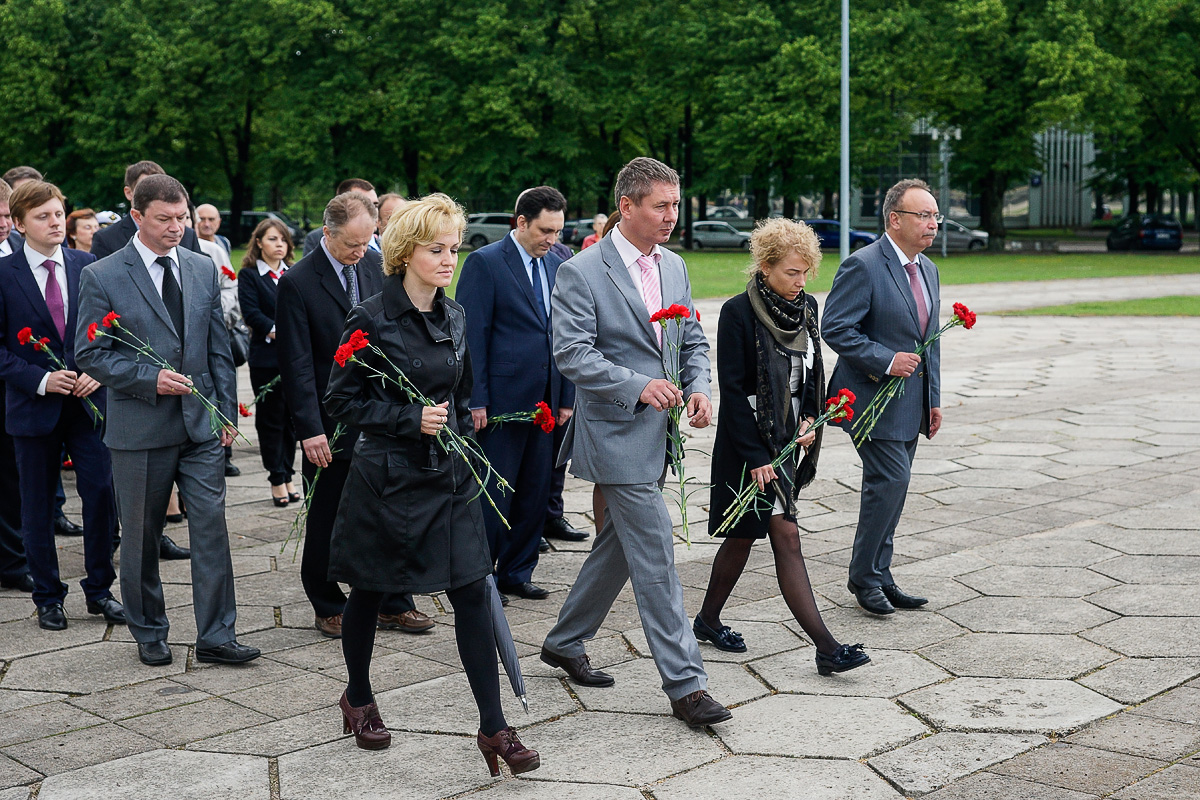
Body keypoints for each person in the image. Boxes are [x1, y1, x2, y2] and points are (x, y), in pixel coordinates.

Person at [324, 193, 540, 775]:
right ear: (404, 252)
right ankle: (359, 696)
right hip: (387, 480)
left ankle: (493, 727)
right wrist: (406, 419)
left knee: (472, 591)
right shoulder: (370, 316)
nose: (449, 260)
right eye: (436, 249)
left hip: (448, 477)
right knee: (371, 591)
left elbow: (462, 396)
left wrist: (461, 440)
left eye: (453, 249)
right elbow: (340, 399)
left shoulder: (457, 316)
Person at [540, 157, 731, 728]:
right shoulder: (582, 269)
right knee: (656, 559)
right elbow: (571, 353)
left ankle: (565, 640)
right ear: (627, 206)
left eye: (675, 204)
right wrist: (637, 385)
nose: (672, 215)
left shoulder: (673, 264)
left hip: (662, 431)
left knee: (619, 547)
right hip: (614, 434)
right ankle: (687, 685)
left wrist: (698, 385)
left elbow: (691, 336)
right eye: (661, 206)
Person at [75, 174, 259, 667]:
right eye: (165, 219)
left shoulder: (201, 267)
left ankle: (218, 634)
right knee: (139, 538)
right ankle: (149, 630)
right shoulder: (103, 275)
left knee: (212, 530)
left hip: (200, 426)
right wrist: (146, 378)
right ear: (137, 216)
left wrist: (223, 408)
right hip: (139, 430)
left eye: (182, 217)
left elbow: (216, 345)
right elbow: (89, 353)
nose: (177, 227)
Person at [697, 219, 869, 674]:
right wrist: (756, 458)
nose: (801, 281)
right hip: (748, 445)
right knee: (785, 536)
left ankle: (707, 619)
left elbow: (812, 376)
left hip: (791, 441)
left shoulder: (807, 307)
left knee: (742, 535)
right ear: (766, 266)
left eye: (806, 272)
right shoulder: (738, 312)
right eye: (792, 272)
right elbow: (732, 392)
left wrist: (812, 418)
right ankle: (827, 648)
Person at [276, 192, 431, 638]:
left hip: (378, 415)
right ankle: (327, 601)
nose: (360, 253)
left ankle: (390, 600)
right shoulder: (299, 282)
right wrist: (309, 430)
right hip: (328, 420)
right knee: (329, 514)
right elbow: (297, 365)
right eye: (351, 245)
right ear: (327, 234)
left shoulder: (374, 269)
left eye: (367, 243)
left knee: (387, 512)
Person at [0, 181, 122, 630]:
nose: (54, 223)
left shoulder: (86, 264)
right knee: (35, 505)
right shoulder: (4, 273)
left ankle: (100, 590)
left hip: (89, 404)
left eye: (57, 214)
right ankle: (48, 596)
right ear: (18, 223)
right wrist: (42, 379)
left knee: (100, 494)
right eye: (42, 216)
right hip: (34, 407)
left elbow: (108, 327)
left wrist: (99, 366)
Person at [822, 178, 942, 616]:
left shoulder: (928, 269)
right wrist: (887, 361)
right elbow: (834, 327)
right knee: (889, 483)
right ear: (895, 219)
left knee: (893, 488)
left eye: (935, 216)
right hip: (870, 400)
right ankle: (864, 576)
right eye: (924, 216)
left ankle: (881, 572)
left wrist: (933, 398)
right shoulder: (864, 265)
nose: (933, 225)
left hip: (911, 402)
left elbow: (930, 342)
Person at [457, 186, 575, 600]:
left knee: (535, 491)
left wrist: (566, 397)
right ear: (520, 222)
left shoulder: (559, 263)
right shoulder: (485, 263)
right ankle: (481, 577)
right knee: (494, 493)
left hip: (546, 400)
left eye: (558, 231)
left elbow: (566, 333)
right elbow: (473, 335)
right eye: (545, 230)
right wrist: (475, 398)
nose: (552, 239)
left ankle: (517, 571)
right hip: (502, 402)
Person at [237, 219, 298, 506]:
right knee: (271, 419)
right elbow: (251, 314)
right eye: (273, 239)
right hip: (266, 358)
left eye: (283, 240)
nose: (279, 245)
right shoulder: (249, 275)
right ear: (259, 242)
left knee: (291, 420)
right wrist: (281, 331)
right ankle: (276, 476)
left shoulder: (293, 274)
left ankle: (288, 472)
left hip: (294, 359)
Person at [90, 161, 205, 261]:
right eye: (145, 189)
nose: (174, 228)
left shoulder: (188, 236)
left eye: (161, 187)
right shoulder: (106, 238)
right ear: (129, 193)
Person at [302, 179, 378, 255]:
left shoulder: (381, 245)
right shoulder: (315, 239)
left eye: (375, 205)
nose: (372, 211)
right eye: (363, 205)